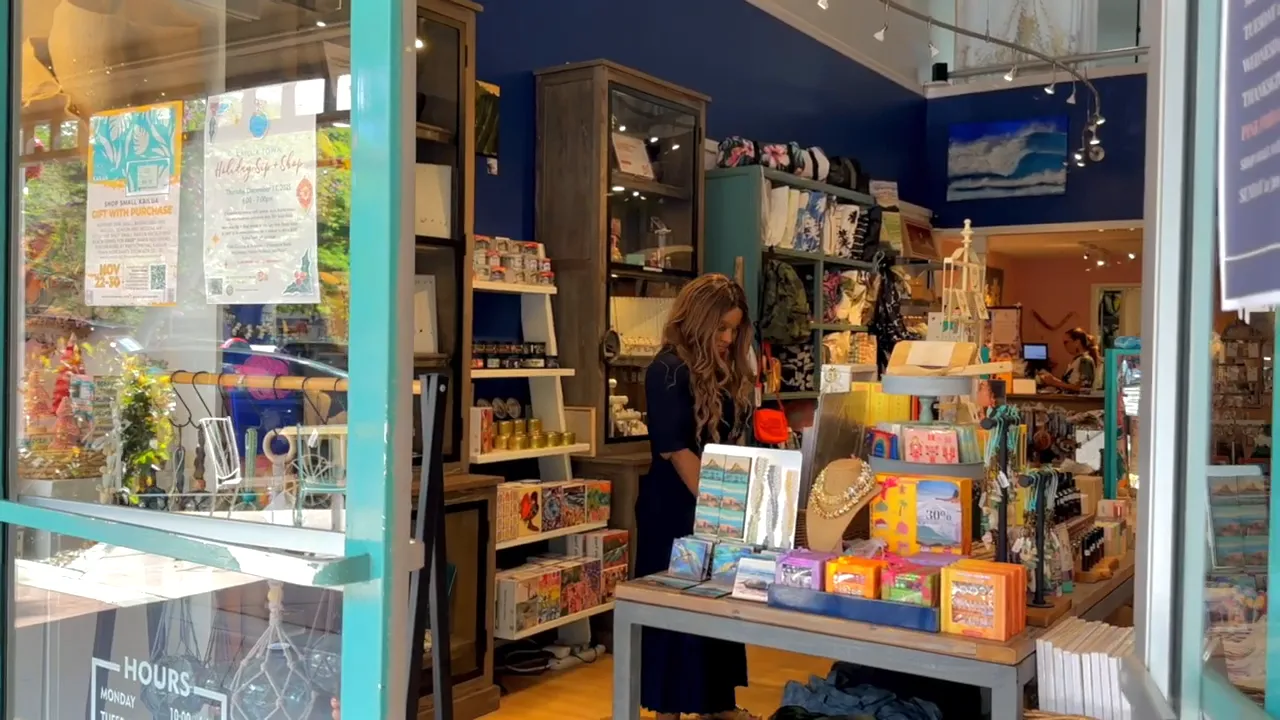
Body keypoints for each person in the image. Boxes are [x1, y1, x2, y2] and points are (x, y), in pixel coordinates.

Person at [635, 274, 758, 720]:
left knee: (718, 604)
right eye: (721, 329)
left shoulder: (723, 369)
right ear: (698, 322)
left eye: (734, 330)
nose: (727, 338)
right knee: (677, 609)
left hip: (712, 503)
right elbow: (678, 451)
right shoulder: (666, 369)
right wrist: (719, 509)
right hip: (675, 508)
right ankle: (667, 710)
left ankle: (717, 702)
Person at [1037, 327, 1101, 393]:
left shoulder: (1085, 360)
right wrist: (1053, 380)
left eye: (1066, 342)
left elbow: (1084, 388)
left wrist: (1056, 383)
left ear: (1077, 342)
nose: (1065, 346)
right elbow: (1070, 384)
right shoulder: (1076, 360)